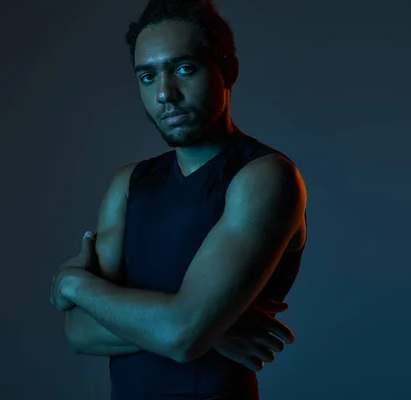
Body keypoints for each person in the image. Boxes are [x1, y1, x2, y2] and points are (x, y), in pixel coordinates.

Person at [50, 0, 308, 399]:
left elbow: (182, 335)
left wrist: (74, 284)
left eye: (184, 69)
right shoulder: (129, 183)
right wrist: (210, 328)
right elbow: (79, 332)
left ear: (228, 71)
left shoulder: (264, 177)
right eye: (147, 77)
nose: (165, 94)